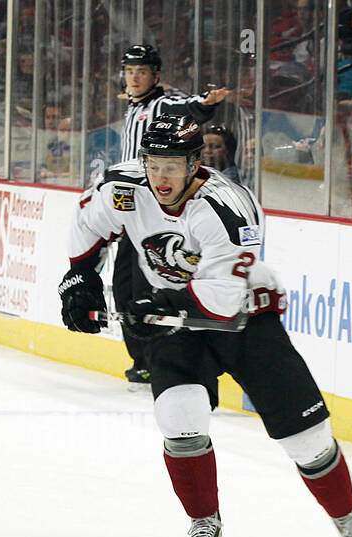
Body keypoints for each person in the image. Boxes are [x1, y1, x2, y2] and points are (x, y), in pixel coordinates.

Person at [57, 115, 352, 537]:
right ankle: (204, 521)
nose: (162, 178)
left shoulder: (227, 209)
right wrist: (79, 277)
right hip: (173, 323)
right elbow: (86, 227)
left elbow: (220, 300)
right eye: (154, 164)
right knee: (179, 417)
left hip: (243, 318)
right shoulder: (124, 186)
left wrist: (153, 303)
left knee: (308, 438)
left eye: (173, 166)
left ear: (195, 163)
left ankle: (346, 515)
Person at [113, 44, 231, 389]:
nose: (134, 78)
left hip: (154, 214)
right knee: (123, 288)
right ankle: (141, 359)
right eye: (130, 71)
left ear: (156, 75)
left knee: (149, 286)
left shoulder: (160, 104)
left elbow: (187, 107)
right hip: (129, 212)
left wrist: (205, 104)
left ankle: (157, 359)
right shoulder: (132, 109)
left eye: (142, 72)